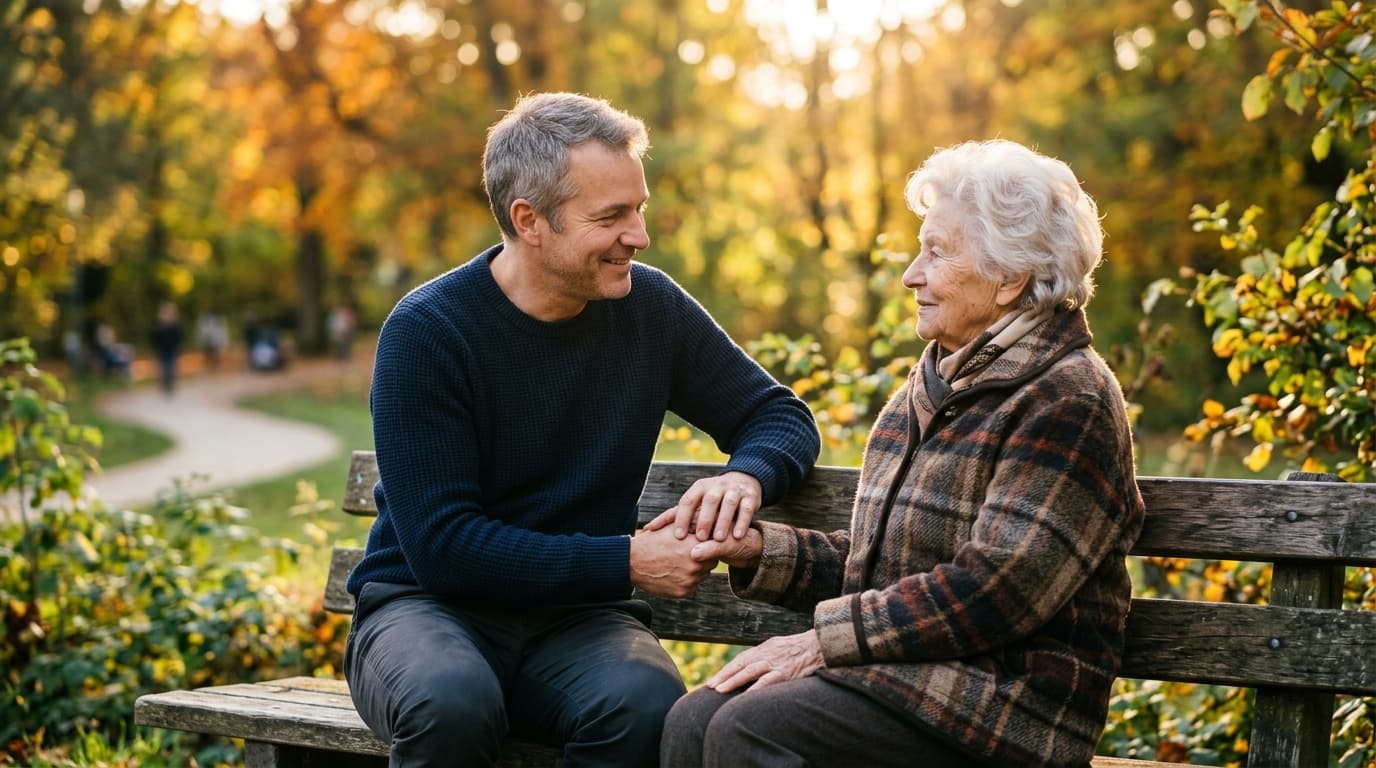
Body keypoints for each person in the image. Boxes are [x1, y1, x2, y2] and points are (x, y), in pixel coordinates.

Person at [343, 92, 821, 768]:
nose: (640, 235)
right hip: (426, 611)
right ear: (530, 221)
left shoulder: (650, 308)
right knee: (451, 701)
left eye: (639, 208)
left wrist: (748, 474)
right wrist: (627, 561)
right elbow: (444, 547)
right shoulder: (430, 333)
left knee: (644, 702)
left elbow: (778, 415)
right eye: (612, 216)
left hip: (576, 622)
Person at [655, 139, 1146, 768]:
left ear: (1011, 279)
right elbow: (878, 570)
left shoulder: (1068, 399)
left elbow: (996, 590)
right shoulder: (935, 385)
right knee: (694, 717)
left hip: (1006, 705)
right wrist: (758, 549)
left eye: (937, 253)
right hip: (908, 675)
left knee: (750, 730)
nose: (912, 274)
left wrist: (824, 642)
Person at [150, 301, 183, 395]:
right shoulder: (159, 326)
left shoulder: (176, 326)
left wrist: (179, 348)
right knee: (162, 368)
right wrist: (154, 348)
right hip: (162, 350)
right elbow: (155, 338)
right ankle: (164, 385)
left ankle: (171, 385)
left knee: (171, 367)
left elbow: (179, 338)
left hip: (172, 350)